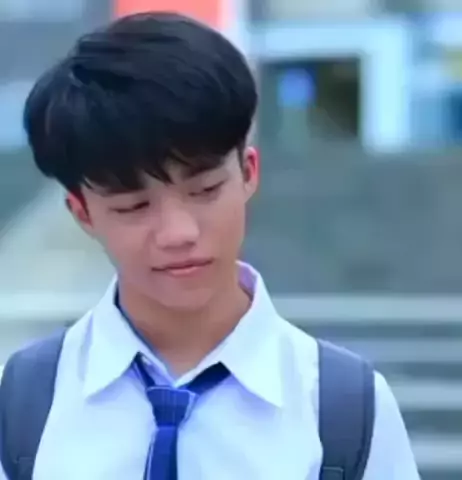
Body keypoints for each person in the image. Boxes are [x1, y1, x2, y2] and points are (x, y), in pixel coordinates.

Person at [0, 11, 420, 480]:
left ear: (248, 172)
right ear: (82, 213)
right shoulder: (25, 403)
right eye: (133, 206)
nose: (178, 232)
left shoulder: (344, 408)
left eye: (204, 190)